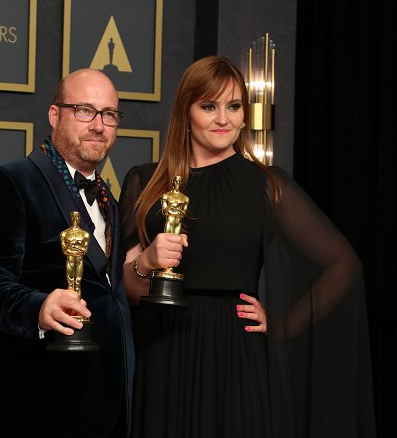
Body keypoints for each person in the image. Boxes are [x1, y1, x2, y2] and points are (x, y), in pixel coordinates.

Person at [119, 56, 375, 437]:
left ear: (244, 115)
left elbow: (344, 265)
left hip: (235, 357)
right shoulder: (145, 181)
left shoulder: (266, 185)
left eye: (233, 106)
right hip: (163, 355)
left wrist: (283, 324)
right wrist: (147, 262)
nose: (223, 118)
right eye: (209, 106)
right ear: (185, 113)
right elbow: (126, 290)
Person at [0, 68, 134, 438]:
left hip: (105, 409)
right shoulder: (6, 182)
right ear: (55, 115)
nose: (98, 125)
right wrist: (37, 307)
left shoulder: (111, 201)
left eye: (109, 114)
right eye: (84, 110)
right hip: (32, 407)